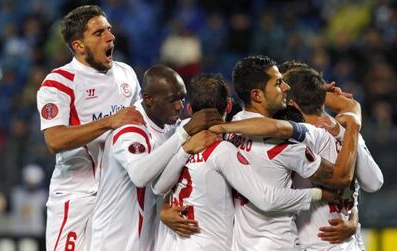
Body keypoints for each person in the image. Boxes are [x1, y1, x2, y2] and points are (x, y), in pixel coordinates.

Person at [152, 74, 336, 251]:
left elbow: (158, 188)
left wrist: (184, 152)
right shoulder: (223, 149)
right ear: (230, 105)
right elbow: (266, 199)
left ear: (190, 109)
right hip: (212, 244)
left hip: (174, 244)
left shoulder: (178, 140)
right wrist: (319, 194)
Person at [36, 5, 144, 251]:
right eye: (99, 33)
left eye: (109, 30)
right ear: (78, 46)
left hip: (118, 197)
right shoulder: (59, 83)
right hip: (77, 196)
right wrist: (108, 121)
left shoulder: (126, 74)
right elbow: (54, 140)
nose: (110, 37)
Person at [227, 55, 360, 250]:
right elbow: (341, 178)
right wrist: (353, 129)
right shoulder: (284, 145)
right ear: (257, 95)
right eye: (279, 83)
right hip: (280, 243)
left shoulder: (232, 127)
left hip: (241, 244)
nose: (286, 88)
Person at [90, 65, 223, 251]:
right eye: (172, 100)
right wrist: (184, 134)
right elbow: (139, 176)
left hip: (145, 239)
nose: (179, 105)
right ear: (148, 99)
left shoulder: (169, 125)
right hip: (114, 241)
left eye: (182, 97)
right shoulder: (130, 128)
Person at [280, 65, 383, 250]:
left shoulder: (292, 140)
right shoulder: (349, 132)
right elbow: (374, 183)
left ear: (291, 102)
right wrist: (349, 129)